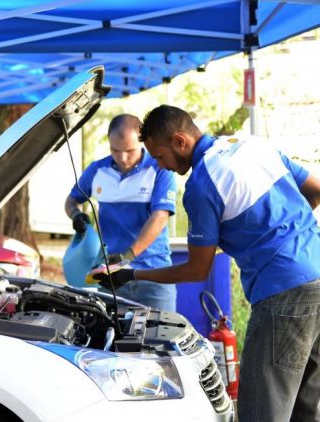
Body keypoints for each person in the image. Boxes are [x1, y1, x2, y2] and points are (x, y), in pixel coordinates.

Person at [97, 104, 320, 421]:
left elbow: (196, 269)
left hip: (282, 292)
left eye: (159, 156)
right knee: (305, 406)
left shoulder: (202, 185)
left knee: (261, 412)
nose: (161, 166)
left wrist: (132, 274)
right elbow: (315, 191)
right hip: (317, 273)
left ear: (179, 141)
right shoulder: (254, 146)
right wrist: (287, 236)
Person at [65, 114, 178, 311]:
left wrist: (128, 255)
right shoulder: (97, 170)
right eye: (115, 150)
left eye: (129, 151)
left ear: (142, 142)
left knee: (159, 338)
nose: (123, 158)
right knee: (111, 338)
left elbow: (160, 217)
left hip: (154, 275)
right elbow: (71, 200)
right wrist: (76, 215)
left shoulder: (160, 168)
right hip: (111, 276)